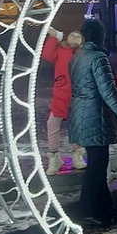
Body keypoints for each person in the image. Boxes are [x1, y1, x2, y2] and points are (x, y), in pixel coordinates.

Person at [68, 19, 117, 226]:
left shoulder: (78, 57)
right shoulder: (98, 58)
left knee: (97, 163)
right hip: (94, 115)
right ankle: (88, 210)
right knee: (97, 166)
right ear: (101, 36)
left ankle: (105, 210)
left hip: (80, 113)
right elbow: (108, 92)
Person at [41, 27, 86, 175]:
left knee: (77, 126)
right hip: (61, 93)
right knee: (52, 124)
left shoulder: (83, 54)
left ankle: (77, 154)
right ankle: (54, 156)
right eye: (72, 35)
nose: (74, 37)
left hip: (78, 95)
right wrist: (53, 38)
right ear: (66, 38)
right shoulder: (61, 51)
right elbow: (47, 54)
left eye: (78, 37)